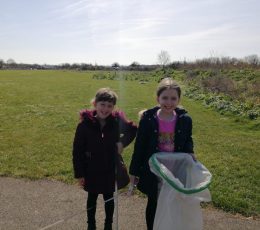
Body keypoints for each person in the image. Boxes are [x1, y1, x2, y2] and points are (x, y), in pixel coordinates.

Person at [129, 77, 195, 230]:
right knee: (154, 202)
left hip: (175, 170)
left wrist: (190, 151)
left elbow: (187, 139)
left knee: (173, 202)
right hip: (154, 170)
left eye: (173, 98)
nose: (169, 102)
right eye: (165, 97)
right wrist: (133, 172)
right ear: (157, 97)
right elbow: (139, 146)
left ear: (179, 99)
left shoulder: (185, 120)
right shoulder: (148, 119)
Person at [72, 88, 137, 230]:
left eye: (109, 106)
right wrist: (80, 173)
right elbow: (77, 151)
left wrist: (122, 143)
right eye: (102, 104)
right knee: (92, 197)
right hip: (91, 168)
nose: (105, 109)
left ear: (113, 107)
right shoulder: (84, 125)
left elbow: (133, 130)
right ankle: (91, 225)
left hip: (110, 167)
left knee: (109, 197)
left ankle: (108, 224)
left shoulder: (116, 121)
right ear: (95, 103)